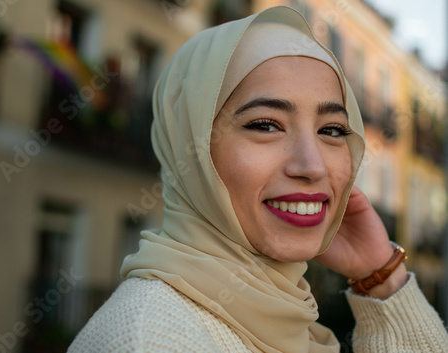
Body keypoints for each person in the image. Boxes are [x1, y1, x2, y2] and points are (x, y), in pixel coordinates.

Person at [67, 6, 448, 353]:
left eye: (332, 130)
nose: (312, 166)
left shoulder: (290, 322)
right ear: (190, 146)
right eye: (265, 125)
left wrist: (379, 274)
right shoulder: (151, 340)